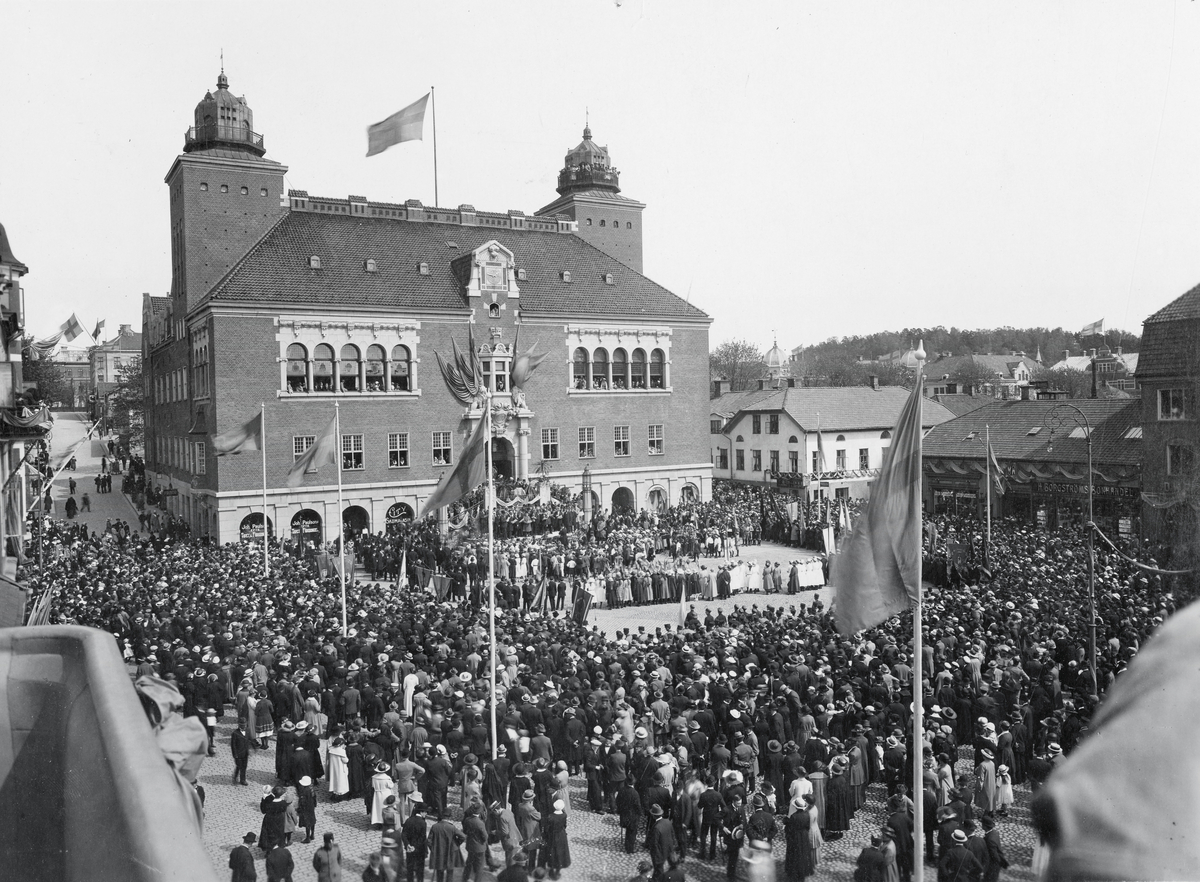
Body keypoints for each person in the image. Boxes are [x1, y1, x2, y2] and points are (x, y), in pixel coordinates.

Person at [428, 810, 464, 882]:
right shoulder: (452, 827)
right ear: (449, 817)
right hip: (450, 853)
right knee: (450, 872)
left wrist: (433, 849)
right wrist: (456, 844)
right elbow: (462, 837)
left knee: (439, 872)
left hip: (439, 853)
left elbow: (429, 841)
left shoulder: (434, 826)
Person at [542, 798, 570, 880]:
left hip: (552, 836)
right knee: (560, 852)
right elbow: (564, 825)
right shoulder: (564, 815)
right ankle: (558, 870)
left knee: (552, 851)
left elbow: (547, 828)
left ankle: (551, 868)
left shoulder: (550, 816)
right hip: (561, 835)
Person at [401, 800, 428, 882]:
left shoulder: (408, 820)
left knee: (410, 869)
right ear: (422, 812)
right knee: (420, 871)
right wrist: (415, 847)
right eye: (426, 812)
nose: (426, 814)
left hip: (409, 849)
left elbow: (403, 834)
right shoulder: (423, 823)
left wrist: (407, 845)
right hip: (419, 850)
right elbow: (422, 838)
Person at [297, 777, 318, 844]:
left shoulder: (303, 791)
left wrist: (299, 809)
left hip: (306, 808)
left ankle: (307, 838)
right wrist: (314, 805)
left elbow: (302, 801)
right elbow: (315, 798)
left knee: (307, 822)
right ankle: (312, 834)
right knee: (312, 820)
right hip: (311, 807)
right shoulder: (312, 789)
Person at [232, 720, 252, 785]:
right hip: (238, 753)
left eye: (245, 725)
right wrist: (235, 754)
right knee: (239, 766)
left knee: (244, 766)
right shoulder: (235, 733)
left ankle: (242, 780)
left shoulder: (248, 730)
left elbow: (250, 740)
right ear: (239, 725)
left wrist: (252, 748)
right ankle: (235, 776)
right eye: (242, 725)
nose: (244, 726)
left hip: (245, 753)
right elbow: (233, 745)